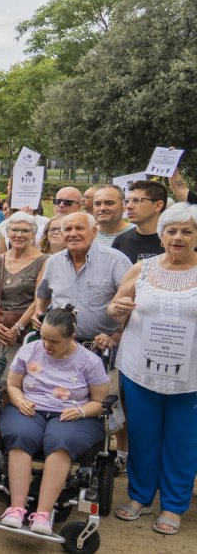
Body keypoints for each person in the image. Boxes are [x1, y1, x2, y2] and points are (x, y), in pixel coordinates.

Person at [107, 202, 197, 535]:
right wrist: (116, 307)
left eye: (187, 231)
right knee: (143, 436)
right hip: (140, 369)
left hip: (190, 377)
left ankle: (173, 505)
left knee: (183, 441)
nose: (178, 237)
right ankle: (140, 496)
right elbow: (114, 307)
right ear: (161, 236)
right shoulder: (142, 270)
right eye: (171, 231)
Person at [0, 306, 109, 535]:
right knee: (21, 435)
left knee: (61, 440)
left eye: (54, 341)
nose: (46, 345)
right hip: (30, 407)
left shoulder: (90, 361)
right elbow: (12, 385)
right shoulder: (29, 350)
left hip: (73, 414)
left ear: (72, 338)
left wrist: (80, 412)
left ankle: (43, 513)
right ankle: (16, 508)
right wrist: (19, 401)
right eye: (44, 338)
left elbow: (99, 402)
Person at [35, 212, 131, 343]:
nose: (73, 233)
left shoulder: (116, 261)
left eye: (79, 228)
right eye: (68, 229)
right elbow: (43, 294)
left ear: (94, 232)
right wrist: (38, 311)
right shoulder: (53, 262)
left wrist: (117, 335)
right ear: (62, 235)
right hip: (60, 345)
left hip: (100, 347)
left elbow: (132, 302)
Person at [0, 212, 48, 386]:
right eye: (15, 230)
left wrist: (17, 329)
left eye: (25, 231)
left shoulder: (44, 261)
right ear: (8, 233)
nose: (19, 235)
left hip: (23, 333)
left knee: (17, 381)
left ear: (33, 234)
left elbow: (39, 299)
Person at [112, 179, 168, 263]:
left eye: (136, 200)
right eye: (127, 201)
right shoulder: (121, 241)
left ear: (158, 205)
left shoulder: (174, 240)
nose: (128, 206)